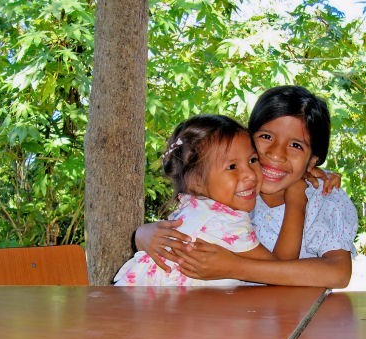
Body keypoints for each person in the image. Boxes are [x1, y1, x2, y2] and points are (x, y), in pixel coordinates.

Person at [135, 85, 358, 288]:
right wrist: (141, 235)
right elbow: (188, 223)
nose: (276, 154)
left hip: (298, 319)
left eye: (296, 145)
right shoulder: (232, 189)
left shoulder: (325, 197)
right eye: (266, 136)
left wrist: (234, 266)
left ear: (312, 161)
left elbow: (338, 274)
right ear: (248, 138)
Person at [114, 114, 307, 286]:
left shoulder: (194, 207)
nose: (250, 174)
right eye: (232, 167)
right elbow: (281, 269)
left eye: (252, 160)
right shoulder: (225, 222)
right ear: (197, 181)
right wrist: (296, 202)